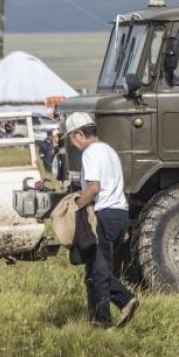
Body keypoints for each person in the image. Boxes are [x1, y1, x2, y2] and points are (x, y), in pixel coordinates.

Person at [64, 112, 139, 328]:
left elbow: (94, 187)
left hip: (104, 215)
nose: (71, 142)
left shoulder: (90, 153)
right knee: (97, 269)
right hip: (120, 214)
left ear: (79, 134)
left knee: (98, 272)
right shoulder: (110, 151)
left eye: (71, 137)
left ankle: (107, 317)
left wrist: (76, 205)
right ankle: (101, 319)